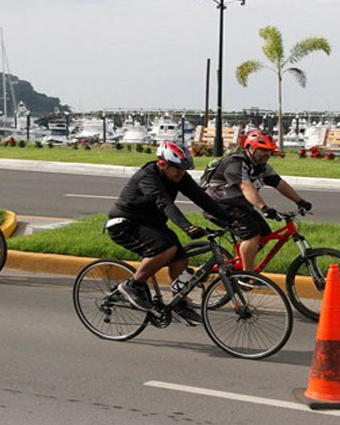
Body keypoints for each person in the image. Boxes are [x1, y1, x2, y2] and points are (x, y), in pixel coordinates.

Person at [107, 140, 233, 323]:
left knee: (181, 258)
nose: (181, 173)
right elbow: (165, 203)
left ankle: (178, 302)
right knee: (165, 248)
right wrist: (187, 227)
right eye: (177, 169)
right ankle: (133, 285)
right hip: (126, 225)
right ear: (162, 164)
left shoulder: (179, 176)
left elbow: (201, 199)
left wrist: (231, 220)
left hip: (151, 224)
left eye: (184, 170)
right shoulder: (148, 177)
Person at [203, 129, 312, 271]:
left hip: (237, 205)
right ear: (250, 148)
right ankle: (247, 275)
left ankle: (239, 264)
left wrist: (300, 201)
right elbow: (245, 187)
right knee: (252, 234)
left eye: (269, 151)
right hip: (217, 205)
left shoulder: (261, 166)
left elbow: (279, 183)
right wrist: (264, 208)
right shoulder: (235, 163)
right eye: (263, 150)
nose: (268, 154)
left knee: (265, 233)